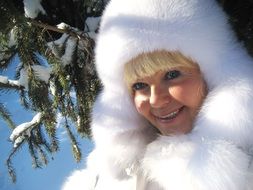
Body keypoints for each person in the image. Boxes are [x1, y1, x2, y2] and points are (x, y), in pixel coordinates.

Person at [62, 0, 253, 189]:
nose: (155, 100)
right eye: (139, 85)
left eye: (171, 75)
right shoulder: (105, 181)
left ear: (211, 74)